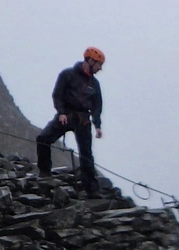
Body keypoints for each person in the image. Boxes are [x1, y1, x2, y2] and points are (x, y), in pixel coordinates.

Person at [36, 47, 105, 199]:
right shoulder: (67, 75)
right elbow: (57, 94)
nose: (100, 68)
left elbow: (97, 105)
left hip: (83, 120)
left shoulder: (95, 84)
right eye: (99, 64)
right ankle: (45, 173)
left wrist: (97, 125)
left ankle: (91, 189)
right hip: (66, 115)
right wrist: (61, 112)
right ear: (91, 61)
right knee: (43, 139)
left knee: (86, 154)